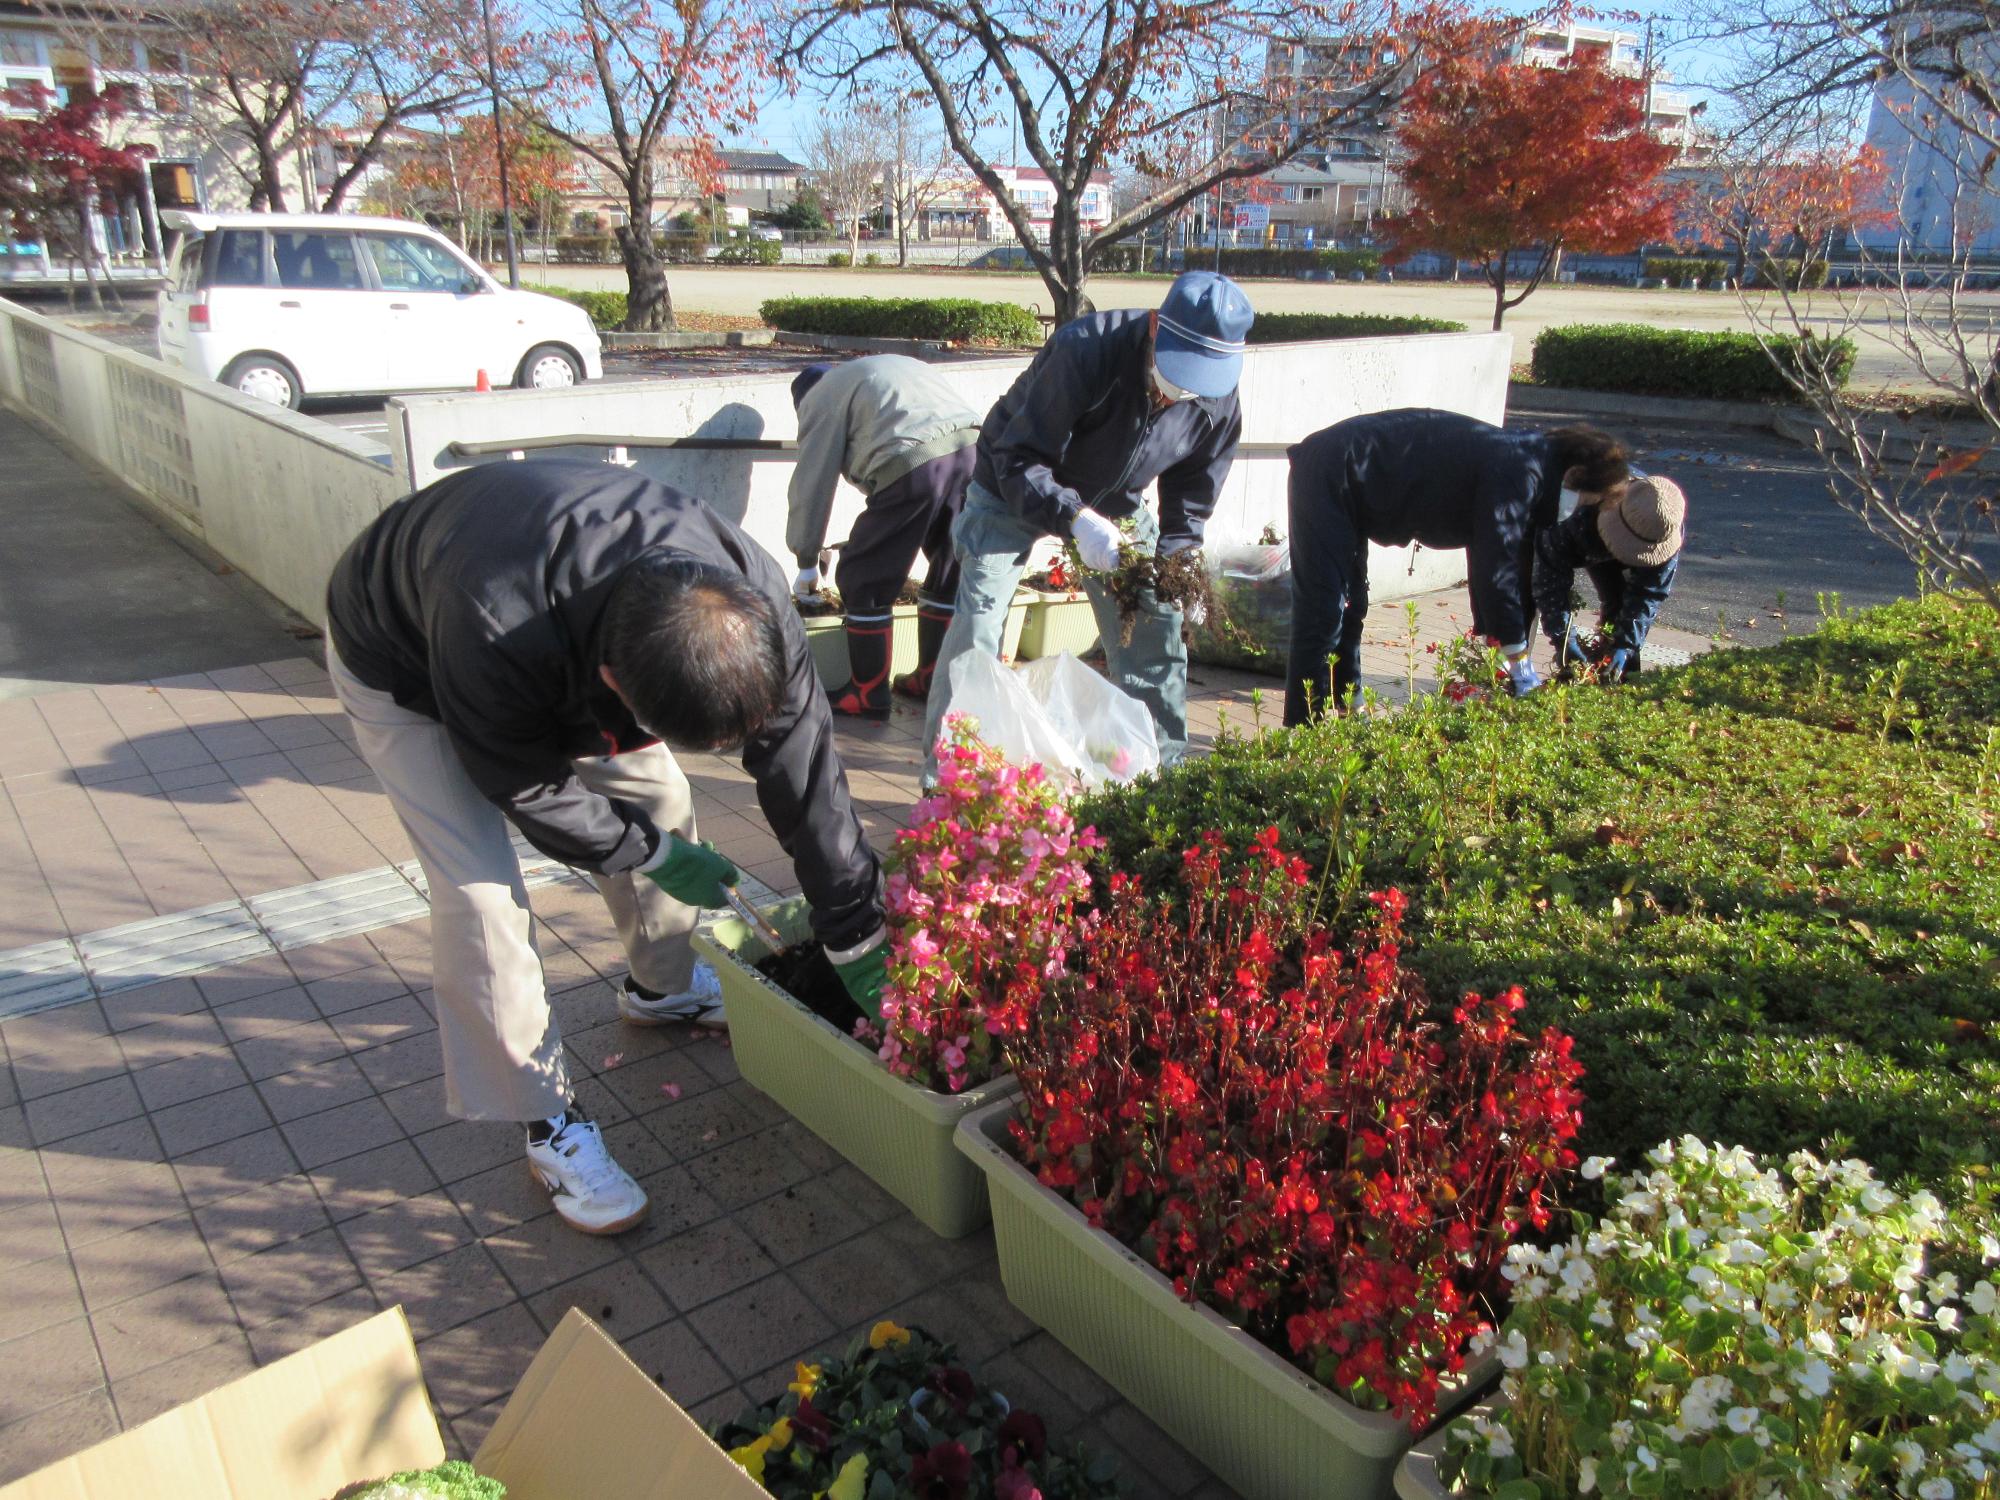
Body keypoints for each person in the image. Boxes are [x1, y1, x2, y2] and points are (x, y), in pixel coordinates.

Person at [324, 460, 888, 1236]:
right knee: (481, 898)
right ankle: (545, 1122)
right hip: (407, 657)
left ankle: (661, 989)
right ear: (614, 682)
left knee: (662, 798)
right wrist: (651, 856)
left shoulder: (748, 601)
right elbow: (522, 783)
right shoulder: (492, 619)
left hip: (559, 626)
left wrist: (855, 925)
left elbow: (802, 760)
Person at [921, 270, 1253, 775]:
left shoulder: (1217, 400)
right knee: (980, 626)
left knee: (1155, 627)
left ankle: (1161, 778)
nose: (1178, 395)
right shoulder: (1085, 350)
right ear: (1156, 327)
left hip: (1116, 501)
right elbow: (1018, 458)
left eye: (1198, 384)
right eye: (1177, 374)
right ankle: (946, 777)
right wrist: (1075, 519)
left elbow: (1189, 501)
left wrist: (1179, 567)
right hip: (1012, 484)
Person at [1282, 410, 1632, 724]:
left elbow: (1485, 555)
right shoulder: (1520, 469)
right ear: (1576, 475)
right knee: (1323, 608)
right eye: (1588, 501)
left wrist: (1497, 635)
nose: (1581, 509)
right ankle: (1302, 727)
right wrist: (1518, 656)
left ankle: (1350, 705)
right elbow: (1497, 568)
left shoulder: (1532, 458)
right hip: (1331, 469)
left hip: (1352, 474)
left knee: (1352, 604)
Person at [786, 356, 983, 718]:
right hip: (974, 453)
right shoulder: (881, 370)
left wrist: (806, 559)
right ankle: (930, 680)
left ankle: (867, 692)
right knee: (950, 562)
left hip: (916, 463)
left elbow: (812, 483)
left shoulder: (820, 397)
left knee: (864, 573)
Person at [1535, 474, 1687, 682]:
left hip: (1607, 526)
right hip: (1581, 526)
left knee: (1621, 605)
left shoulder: (1661, 522)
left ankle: (1620, 680)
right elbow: (1549, 580)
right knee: (1524, 597)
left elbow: (1648, 592)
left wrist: (1626, 645)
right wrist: (1563, 638)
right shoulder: (1573, 509)